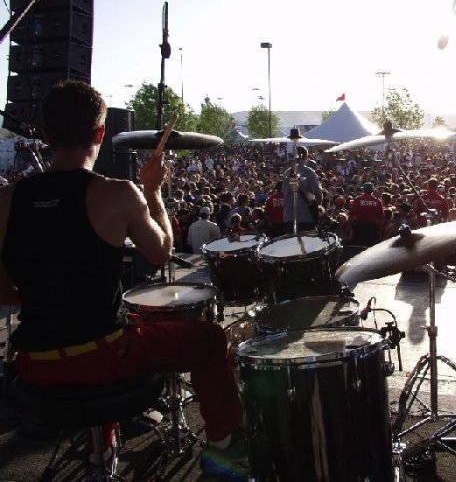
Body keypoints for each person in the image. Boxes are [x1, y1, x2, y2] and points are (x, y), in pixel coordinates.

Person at [0, 81, 246, 479]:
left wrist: (47, 300)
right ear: (100, 133)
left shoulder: (6, 200)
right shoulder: (117, 193)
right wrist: (153, 191)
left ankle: (103, 444)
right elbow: (162, 250)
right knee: (210, 338)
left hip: (34, 367)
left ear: (45, 134)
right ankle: (224, 446)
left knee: (112, 332)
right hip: (104, 359)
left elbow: (2, 290)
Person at [282, 144, 322, 234]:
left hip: (289, 217)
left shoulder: (287, 173)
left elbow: (284, 193)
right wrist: (316, 207)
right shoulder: (309, 172)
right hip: (305, 217)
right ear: (306, 157)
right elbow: (318, 193)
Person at [348, 182, 384, 246]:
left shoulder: (358, 199)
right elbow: (381, 217)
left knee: (359, 248)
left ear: (363, 190)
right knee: (370, 248)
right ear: (372, 190)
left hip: (360, 227)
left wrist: (351, 228)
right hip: (372, 228)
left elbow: (350, 215)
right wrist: (379, 230)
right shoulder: (377, 201)